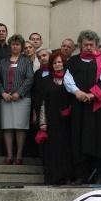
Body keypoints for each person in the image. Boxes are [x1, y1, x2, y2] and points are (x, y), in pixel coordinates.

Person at [64, 30, 101, 184]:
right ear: (80, 45)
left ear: (96, 45)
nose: (88, 47)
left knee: (99, 140)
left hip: (97, 108)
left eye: (91, 44)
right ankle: (81, 175)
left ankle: (100, 174)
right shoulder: (73, 61)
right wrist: (77, 92)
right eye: (85, 44)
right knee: (79, 139)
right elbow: (67, 78)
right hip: (79, 106)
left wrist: (93, 94)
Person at [37, 51, 74, 184]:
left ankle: (67, 176)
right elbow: (42, 102)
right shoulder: (45, 80)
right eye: (54, 63)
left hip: (68, 120)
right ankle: (53, 177)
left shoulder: (69, 79)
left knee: (67, 148)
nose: (57, 65)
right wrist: (42, 122)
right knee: (53, 149)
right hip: (52, 120)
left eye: (59, 62)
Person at [0, 33, 33, 165]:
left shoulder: (26, 61)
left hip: (22, 99)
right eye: (13, 44)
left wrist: (19, 93)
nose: (15, 46)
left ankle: (19, 156)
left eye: (17, 44)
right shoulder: (3, 61)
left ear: (21, 46)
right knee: (7, 126)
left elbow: (30, 78)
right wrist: (3, 93)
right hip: (6, 98)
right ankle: (9, 155)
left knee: (20, 127)